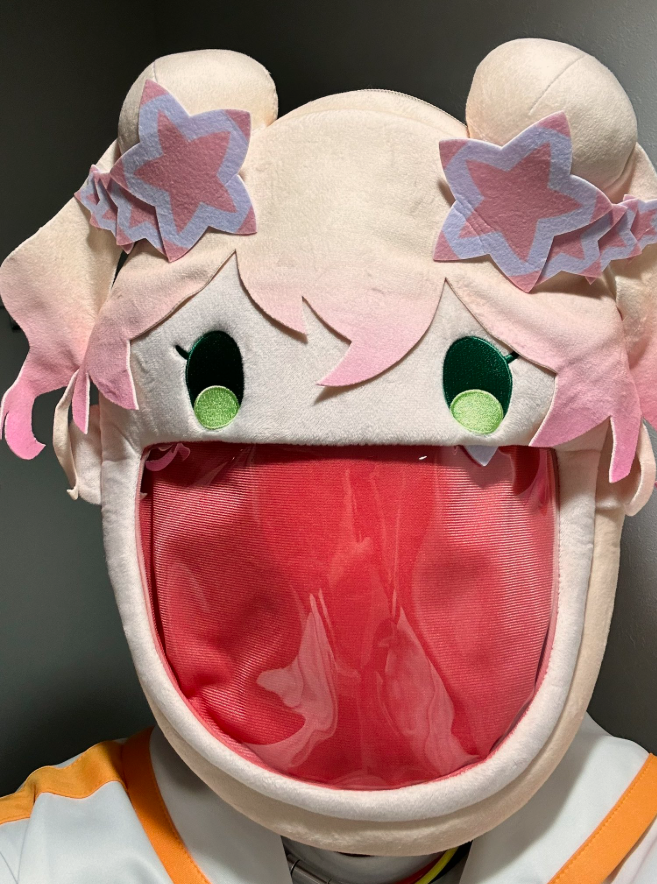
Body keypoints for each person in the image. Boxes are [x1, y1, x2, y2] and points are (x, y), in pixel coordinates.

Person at [1, 36, 657, 884]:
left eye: (461, 468)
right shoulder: (49, 847)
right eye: (237, 478)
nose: (358, 560)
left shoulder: (632, 832)